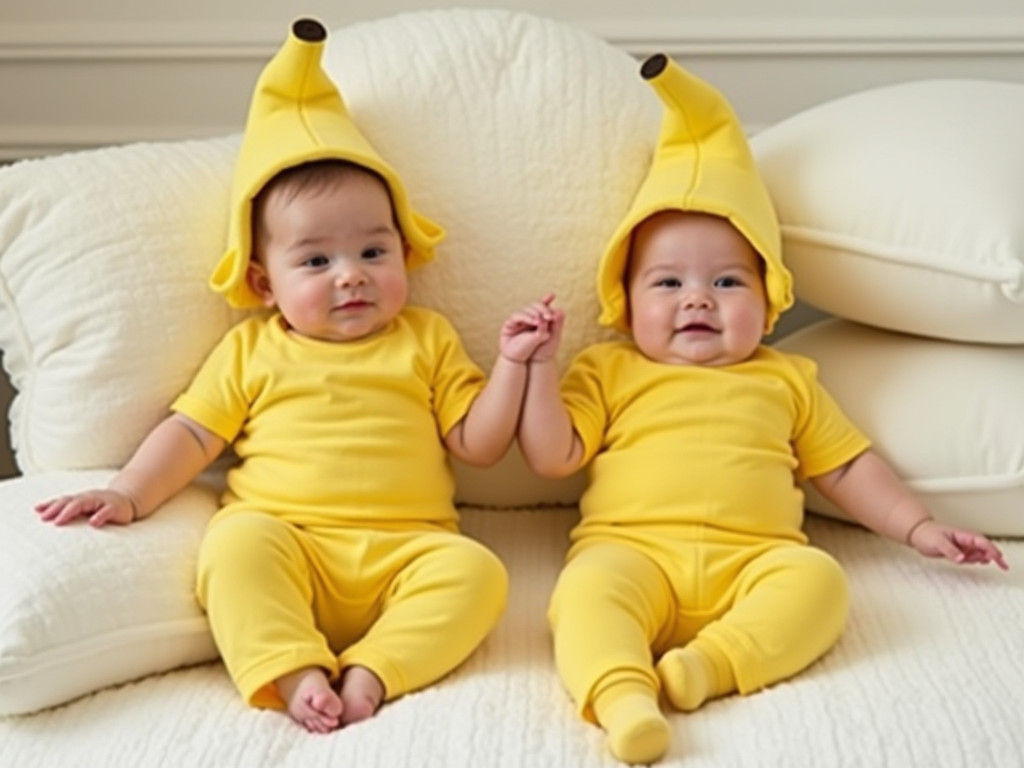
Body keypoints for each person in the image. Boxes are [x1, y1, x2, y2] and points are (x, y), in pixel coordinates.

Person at [34, 18, 553, 735]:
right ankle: (293, 667)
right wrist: (127, 492)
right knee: (232, 550)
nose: (351, 277)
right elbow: (191, 433)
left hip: (408, 548)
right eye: (315, 262)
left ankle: (377, 669)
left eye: (374, 251)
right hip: (286, 536)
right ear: (264, 282)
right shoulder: (253, 350)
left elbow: (478, 443)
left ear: (404, 251)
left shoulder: (426, 339)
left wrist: (514, 367)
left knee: (478, 575)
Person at [513, 54, 1009, 764]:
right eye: (667, 282)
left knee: (820, 587)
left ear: (770, 297)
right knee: (584, 600)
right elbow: (552, 454)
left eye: (726, 280)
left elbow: (845, 467)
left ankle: (706, 668)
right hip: (629, 552)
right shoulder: (608, 368)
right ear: (625, 303)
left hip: (759, 557)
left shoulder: (787, 379)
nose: (697, 298)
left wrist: (918, 526)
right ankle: (623, 698)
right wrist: (534, 370)